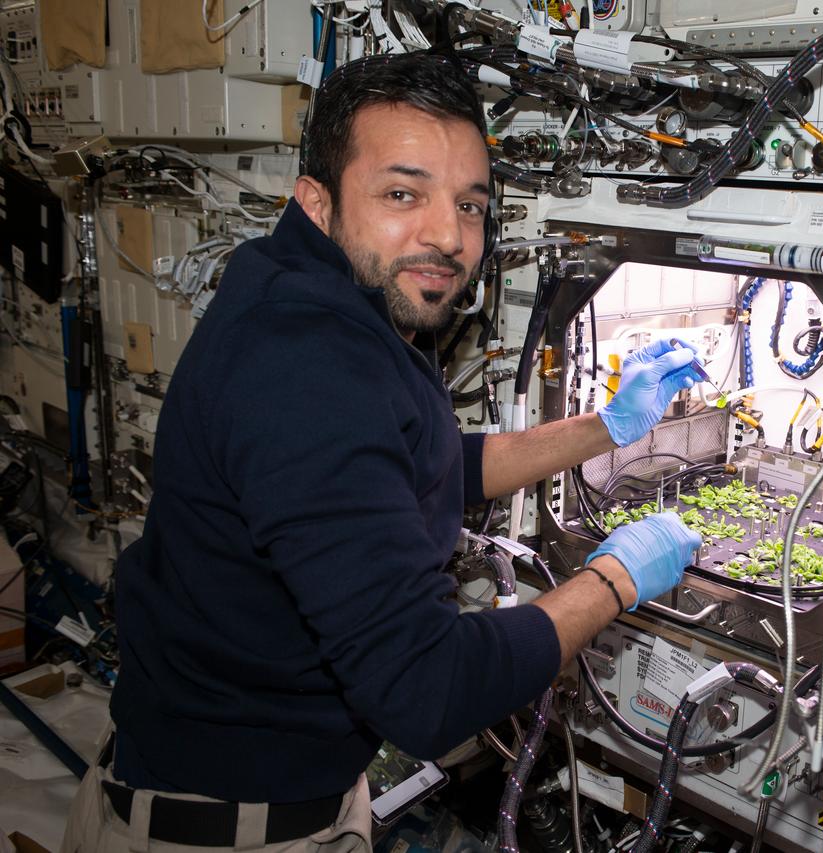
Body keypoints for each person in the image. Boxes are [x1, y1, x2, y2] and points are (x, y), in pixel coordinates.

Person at [60, 52, 702, 853]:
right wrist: (614, 577)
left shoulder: (323, 294)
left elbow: (426, 463)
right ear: (317, 200)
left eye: (469, 205)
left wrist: (605, 427)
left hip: (262, 789)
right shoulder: (306, 366)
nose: (446, 235)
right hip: (225, 831)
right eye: (402, 194)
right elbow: (428, 690)